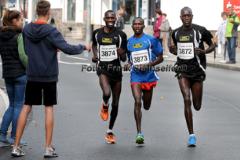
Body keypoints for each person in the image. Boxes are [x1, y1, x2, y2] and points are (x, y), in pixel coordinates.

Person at [11, 0, 91, 158]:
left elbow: (27, 49)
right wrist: (83, 47)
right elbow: (67, 48)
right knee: (48, 107)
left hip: (32, 74)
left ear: (37, 11)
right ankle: (48, 148)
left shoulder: (26, 29)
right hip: (48, 75)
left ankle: (15, 146)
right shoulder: (51, 31)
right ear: (48, 13)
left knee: (26, 107)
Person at [169, 7, 215, 147]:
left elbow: (213, 44)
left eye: (189, 15)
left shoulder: (200, 30)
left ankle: (197, 102)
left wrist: (204, 51)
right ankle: (191, 135)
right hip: (182, 70)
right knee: (186, 99)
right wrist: (173, 50)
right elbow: (175, 49)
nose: (187, 18)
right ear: (181, 17)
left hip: (197, 70)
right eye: (184, 16)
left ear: (192, 16)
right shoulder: (176, 32)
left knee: (197, 105)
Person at [92, 10, 127, 144]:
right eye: (108, 17)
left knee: (116, 104)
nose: (111, 19)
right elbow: (95, 45)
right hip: (103, 69)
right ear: (104, 19)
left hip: (116, 71)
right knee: (107, 93)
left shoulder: (121, 35)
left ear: (115, 19)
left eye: (113, 17)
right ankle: (105, 104)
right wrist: (95, 56)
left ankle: (110, 131)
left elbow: (124, 58)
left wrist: (121, 53)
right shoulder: (97, 33)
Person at [127, 17, 163, 145]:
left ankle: (145, 101)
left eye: (139, 24)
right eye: (135, 24)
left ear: (143, 26)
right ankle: (139, 133)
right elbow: (129, 59)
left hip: (148, 76)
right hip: (135, 76)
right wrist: (128, 64)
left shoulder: (151, 40)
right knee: (137, 101)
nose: (137, 26)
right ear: (132, 26)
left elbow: (160, 57)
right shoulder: (129, 42)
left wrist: (150, 64)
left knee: (146, 106)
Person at [0, 10, 27, 145]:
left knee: (11, 105)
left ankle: (2, 134)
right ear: (14, 21)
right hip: (20, 75)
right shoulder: (18, 36)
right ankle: (14, 137)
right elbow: (23, 56)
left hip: (8, 75)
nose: (22, 22)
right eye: (20, 20)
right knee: (18, 106)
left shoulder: (1, 35)